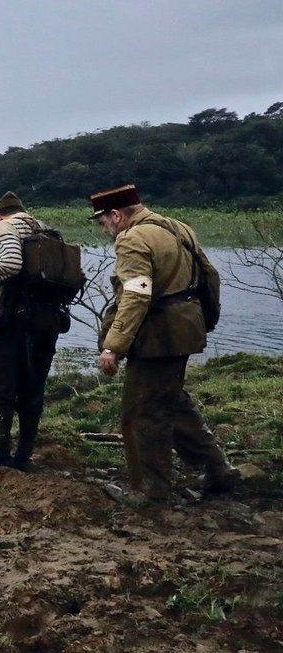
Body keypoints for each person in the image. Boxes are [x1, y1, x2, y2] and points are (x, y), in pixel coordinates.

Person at [91, 184, 240, 502]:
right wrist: (205, 321)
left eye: (102, 221)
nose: (104, 228)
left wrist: (113, 346)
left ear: (116, 215)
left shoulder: (132, 239)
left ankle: (152, 490)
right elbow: (210, 276)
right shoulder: (178, 227)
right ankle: (218, 468)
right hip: (186, 327)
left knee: (142, 412)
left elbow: (136, 293)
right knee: (172, 402)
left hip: (157, 335)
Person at [0, 192, 61, 470]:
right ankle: (24, 456)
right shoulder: (41, 227)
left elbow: (10, 265)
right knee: (32, 388)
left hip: (19, 320)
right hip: (49, 320)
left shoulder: (7, 225)